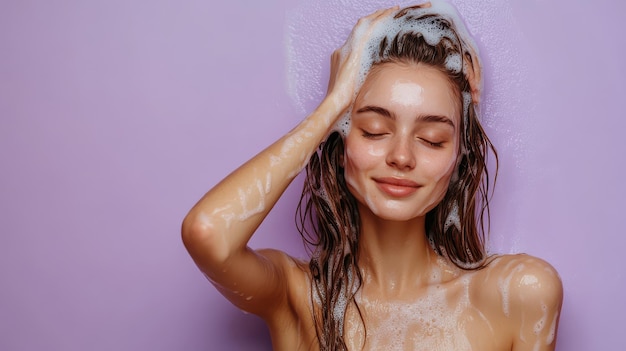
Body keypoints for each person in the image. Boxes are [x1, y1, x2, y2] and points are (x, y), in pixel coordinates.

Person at [182, 2, 563, 350]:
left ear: (459, 157)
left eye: (432, 140)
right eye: (374, 131)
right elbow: (207, 233)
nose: (401, 156)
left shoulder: (519, 296)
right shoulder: (298, 297)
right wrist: (331, 106)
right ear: (342, 139)